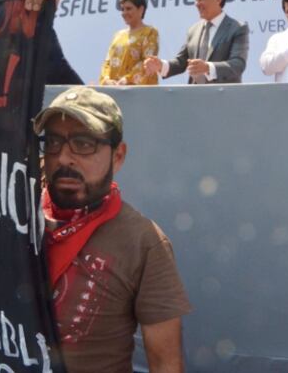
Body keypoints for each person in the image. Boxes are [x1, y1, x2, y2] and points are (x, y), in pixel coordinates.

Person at [33, 86, 191, 372]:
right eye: (54, 142)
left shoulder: (144, 242)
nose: (64, 158)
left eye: (83, 144)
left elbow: (165, 363)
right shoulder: (15, 218)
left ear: (118, 156)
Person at [143, 0, 249, 84]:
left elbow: (237, 65)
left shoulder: (237, 28)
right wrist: (161, 65)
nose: (197, 4)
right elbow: (181, 62)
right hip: (194, 97)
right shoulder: (193, 30)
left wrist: (208, 67)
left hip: (223, 97)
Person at [100, 0, 159, 86]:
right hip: (114, 90)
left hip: (138, 93)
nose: (124, 13)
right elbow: (107, 62)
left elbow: (148, 62)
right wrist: (106, 79)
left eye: (128, 9)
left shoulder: (150, 32)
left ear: (141, 9)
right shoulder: (118, 35)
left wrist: (128, 79)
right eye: (122, 9)